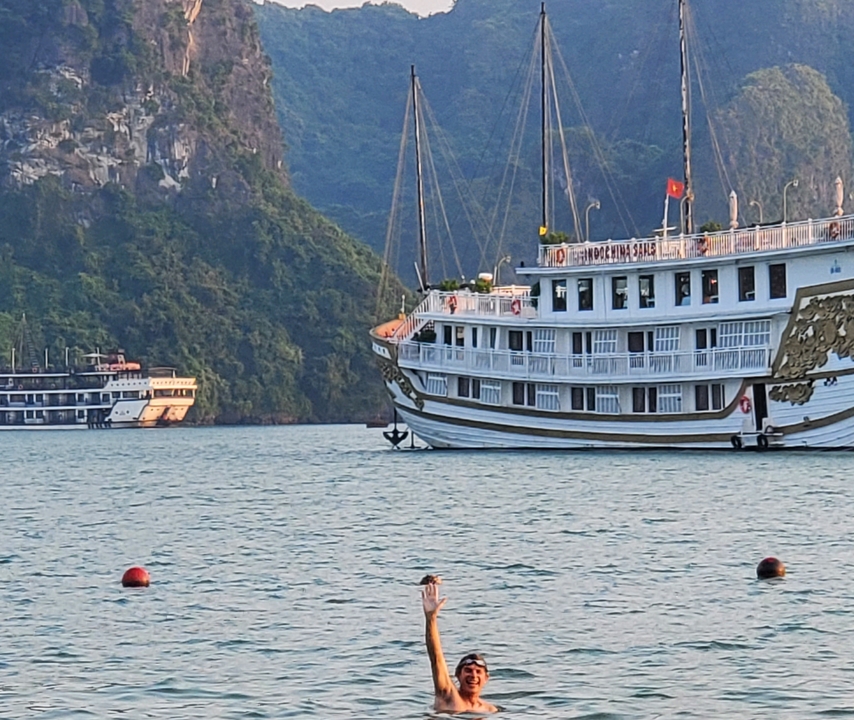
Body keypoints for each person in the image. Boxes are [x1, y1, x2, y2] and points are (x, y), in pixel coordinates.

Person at [421, 580, 498, 713]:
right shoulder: (448, 696)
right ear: (458, 675)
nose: (473, 675)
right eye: (468, 670)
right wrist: (431, 619)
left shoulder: (490, 709)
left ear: (486, 678)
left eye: (478, 671)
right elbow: (436, 658)